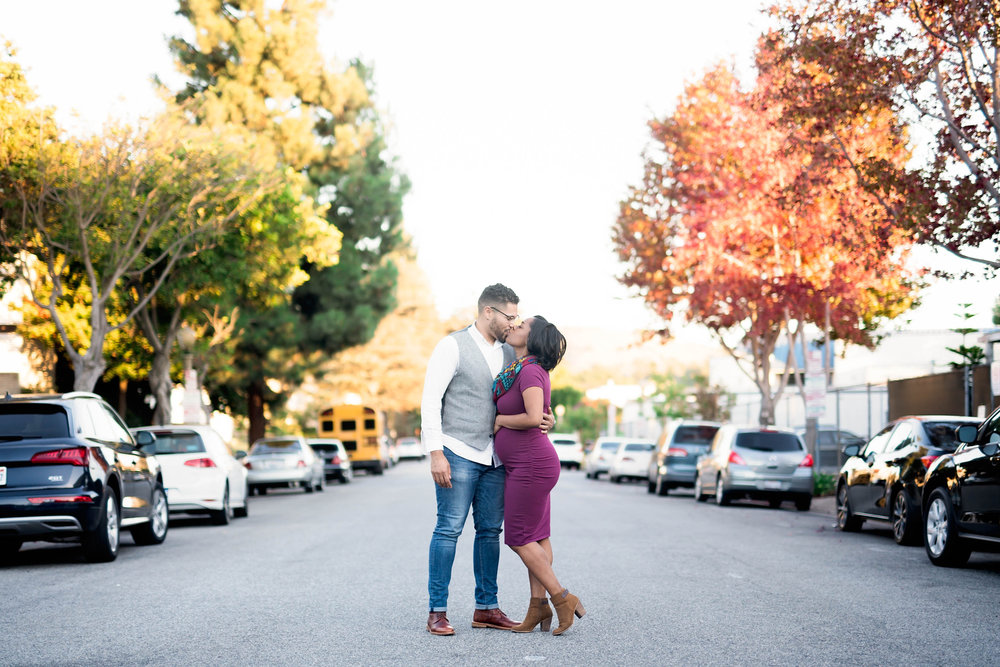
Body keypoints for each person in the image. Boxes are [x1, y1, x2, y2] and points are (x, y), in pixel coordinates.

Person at [420, 284, 554, 636]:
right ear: (488, 312)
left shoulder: (512, 354)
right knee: (448, 529)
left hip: (496, 458)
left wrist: (547, 418)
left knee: (490, 532)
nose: (514, 323)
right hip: (457, 450)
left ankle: (487, 608)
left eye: (517, 318)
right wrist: (436, 453)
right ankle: (437, 610)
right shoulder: (452, 345)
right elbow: (430, 400)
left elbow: (528, 400)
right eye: (509, 316)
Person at [492, 315, 585, 636]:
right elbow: (540, 413)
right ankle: (537, 608)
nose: (515, 326)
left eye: (523, 325)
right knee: (537, 537)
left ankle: (562, 598)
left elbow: (534, 417)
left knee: (518, 537)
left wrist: (501, 420)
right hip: (528, 464)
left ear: (533, 339)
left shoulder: (530, 370)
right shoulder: (520, 368)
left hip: (531, 465)